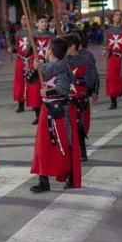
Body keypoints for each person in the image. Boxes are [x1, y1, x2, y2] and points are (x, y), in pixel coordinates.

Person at [30, 37, 81, 192]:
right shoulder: (45, 66)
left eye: (47, 48)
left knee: (65, 142)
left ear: (50, 51)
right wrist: (34, 68)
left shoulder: (62, 66)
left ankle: (69, 175)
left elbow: (63, 87)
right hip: (47, 109)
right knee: (42, 145)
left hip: (61, 110)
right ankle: (43, 179)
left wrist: (48, 91)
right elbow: (30, 80)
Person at [64, 32, 98, 161]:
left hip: (81, 98)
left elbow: (91, 78)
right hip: (67, 99)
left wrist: (76, 81)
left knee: (80, 125)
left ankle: (82, 149)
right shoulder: (62, 61)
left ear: (73, 46)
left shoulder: (85, 59)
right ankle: (69, 151)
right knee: (67, 125)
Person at [103, 12, 122, 109]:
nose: (118, 16)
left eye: (120, 15)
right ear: (112, 17)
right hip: (112, 58)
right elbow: (105, 44)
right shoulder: (107, 31)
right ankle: (113, 102)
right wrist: (105, 50)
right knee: (112, 79)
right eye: (116, 15)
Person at [12, 18, 33, 113]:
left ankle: (34, 103)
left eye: (26, 19)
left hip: (30, 59)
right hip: (20, 59)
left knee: (32, 81)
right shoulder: (18, 33)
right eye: (23, 19)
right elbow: (15, 45)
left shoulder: (34, 32)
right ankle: (20, 104)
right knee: (20, 82)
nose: (24, 21)